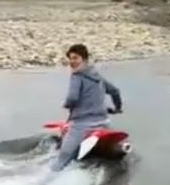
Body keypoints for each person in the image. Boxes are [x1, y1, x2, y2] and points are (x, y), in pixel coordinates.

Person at [48, 44, 123, 172]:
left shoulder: (77, 76)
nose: (72, 62)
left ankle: (45, 183)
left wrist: (67, 104)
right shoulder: (97, 76)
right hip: (103, 123)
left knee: (61, 160)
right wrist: (117, 108)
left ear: (85, 59)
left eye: (75, 58)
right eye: (70, 59)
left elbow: (72, 98)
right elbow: (115, 91)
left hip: (82, 125)